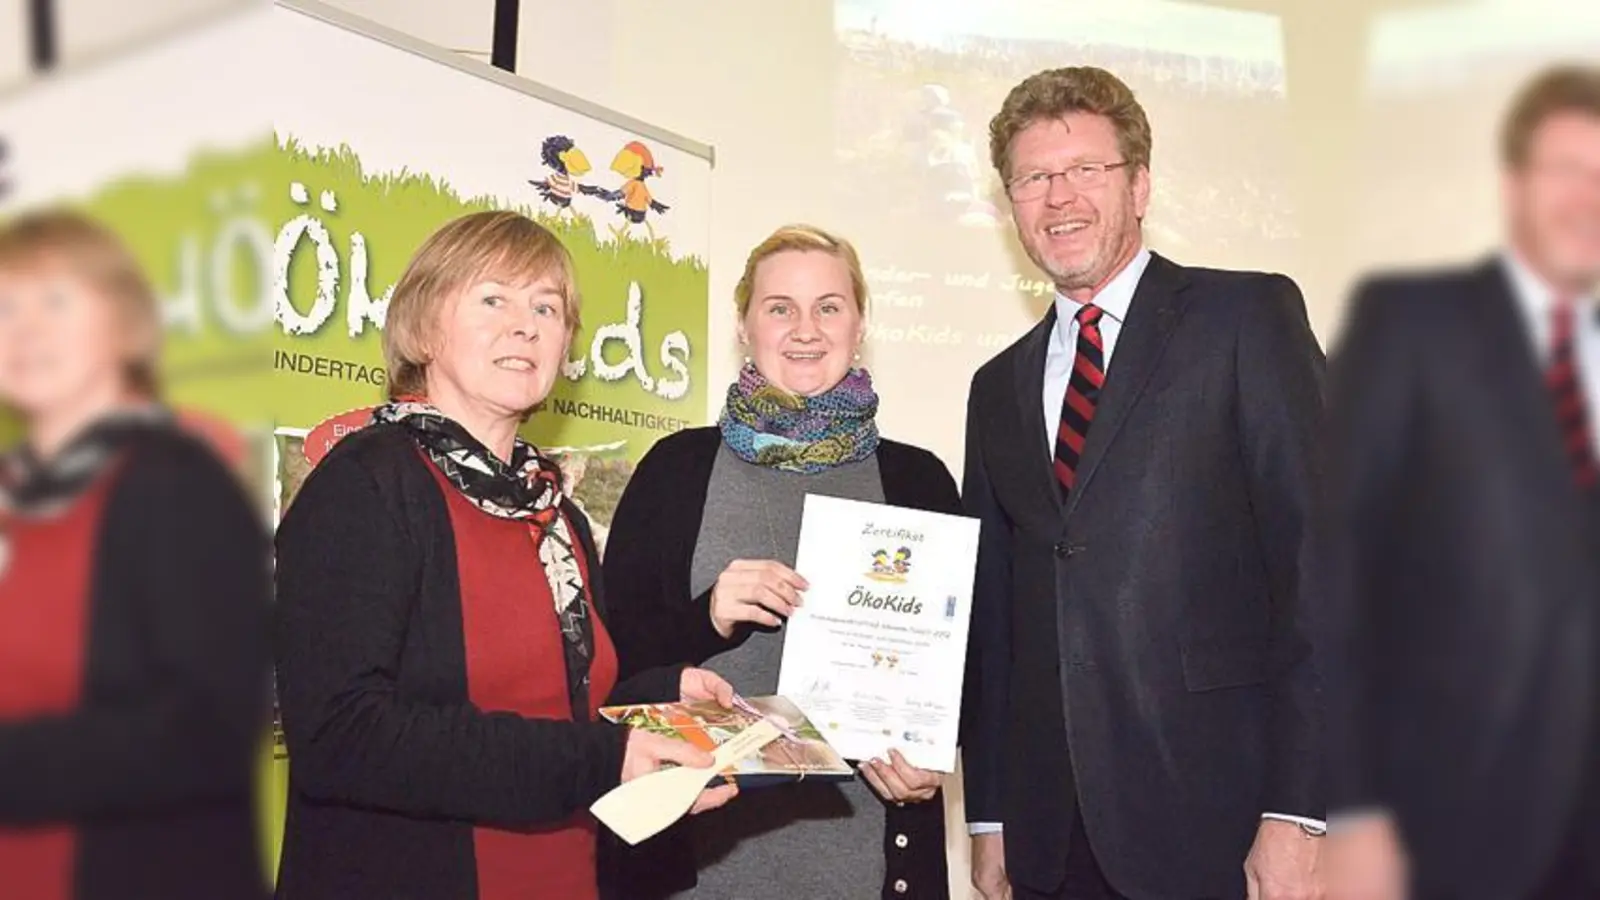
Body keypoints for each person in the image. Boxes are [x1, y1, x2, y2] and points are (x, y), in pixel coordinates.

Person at [272, 210, 737, 900]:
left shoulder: (556, 514)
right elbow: (343, 736)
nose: (526, 325)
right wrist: (605, 761)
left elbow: (559, 710)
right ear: (426, 327)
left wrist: (657, 700)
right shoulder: (366, 486)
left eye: (547, 307)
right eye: (494, 299)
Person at [960, 67, 1326, 900]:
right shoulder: (996, 386)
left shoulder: (1247, 320)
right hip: (1050, 841)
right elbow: (998, 615)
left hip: (1219, 824)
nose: (1061, 197)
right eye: (1034, 178)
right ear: (1010, 203)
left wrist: (1301, 811)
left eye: (1087, 169)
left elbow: (1322, 569)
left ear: (1141, 184)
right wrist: (989, 819)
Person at [602, 224, 957, 899]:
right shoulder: (675, 471)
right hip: (696, 869)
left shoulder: (920, 482)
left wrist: (934, 758)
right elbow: (609, 672)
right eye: (779, 307)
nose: (806, 329)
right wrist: (705, 618)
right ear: (744, 324)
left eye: (829, 306)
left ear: (859, 324)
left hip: (868, 861)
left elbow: (965, 667)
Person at [1322, 65, 1600, 900]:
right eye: (1565, 171)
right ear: (1515, 184)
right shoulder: (1411, 323)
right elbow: (1339, 570)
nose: (1585, 197)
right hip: (1455, 826)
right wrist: (1353, 809)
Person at [0, 210, 271, 900]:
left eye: (55, 301)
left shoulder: (181, 486)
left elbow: (202, 731)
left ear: (124, 325)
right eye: (6, 306)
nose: (25, 328)